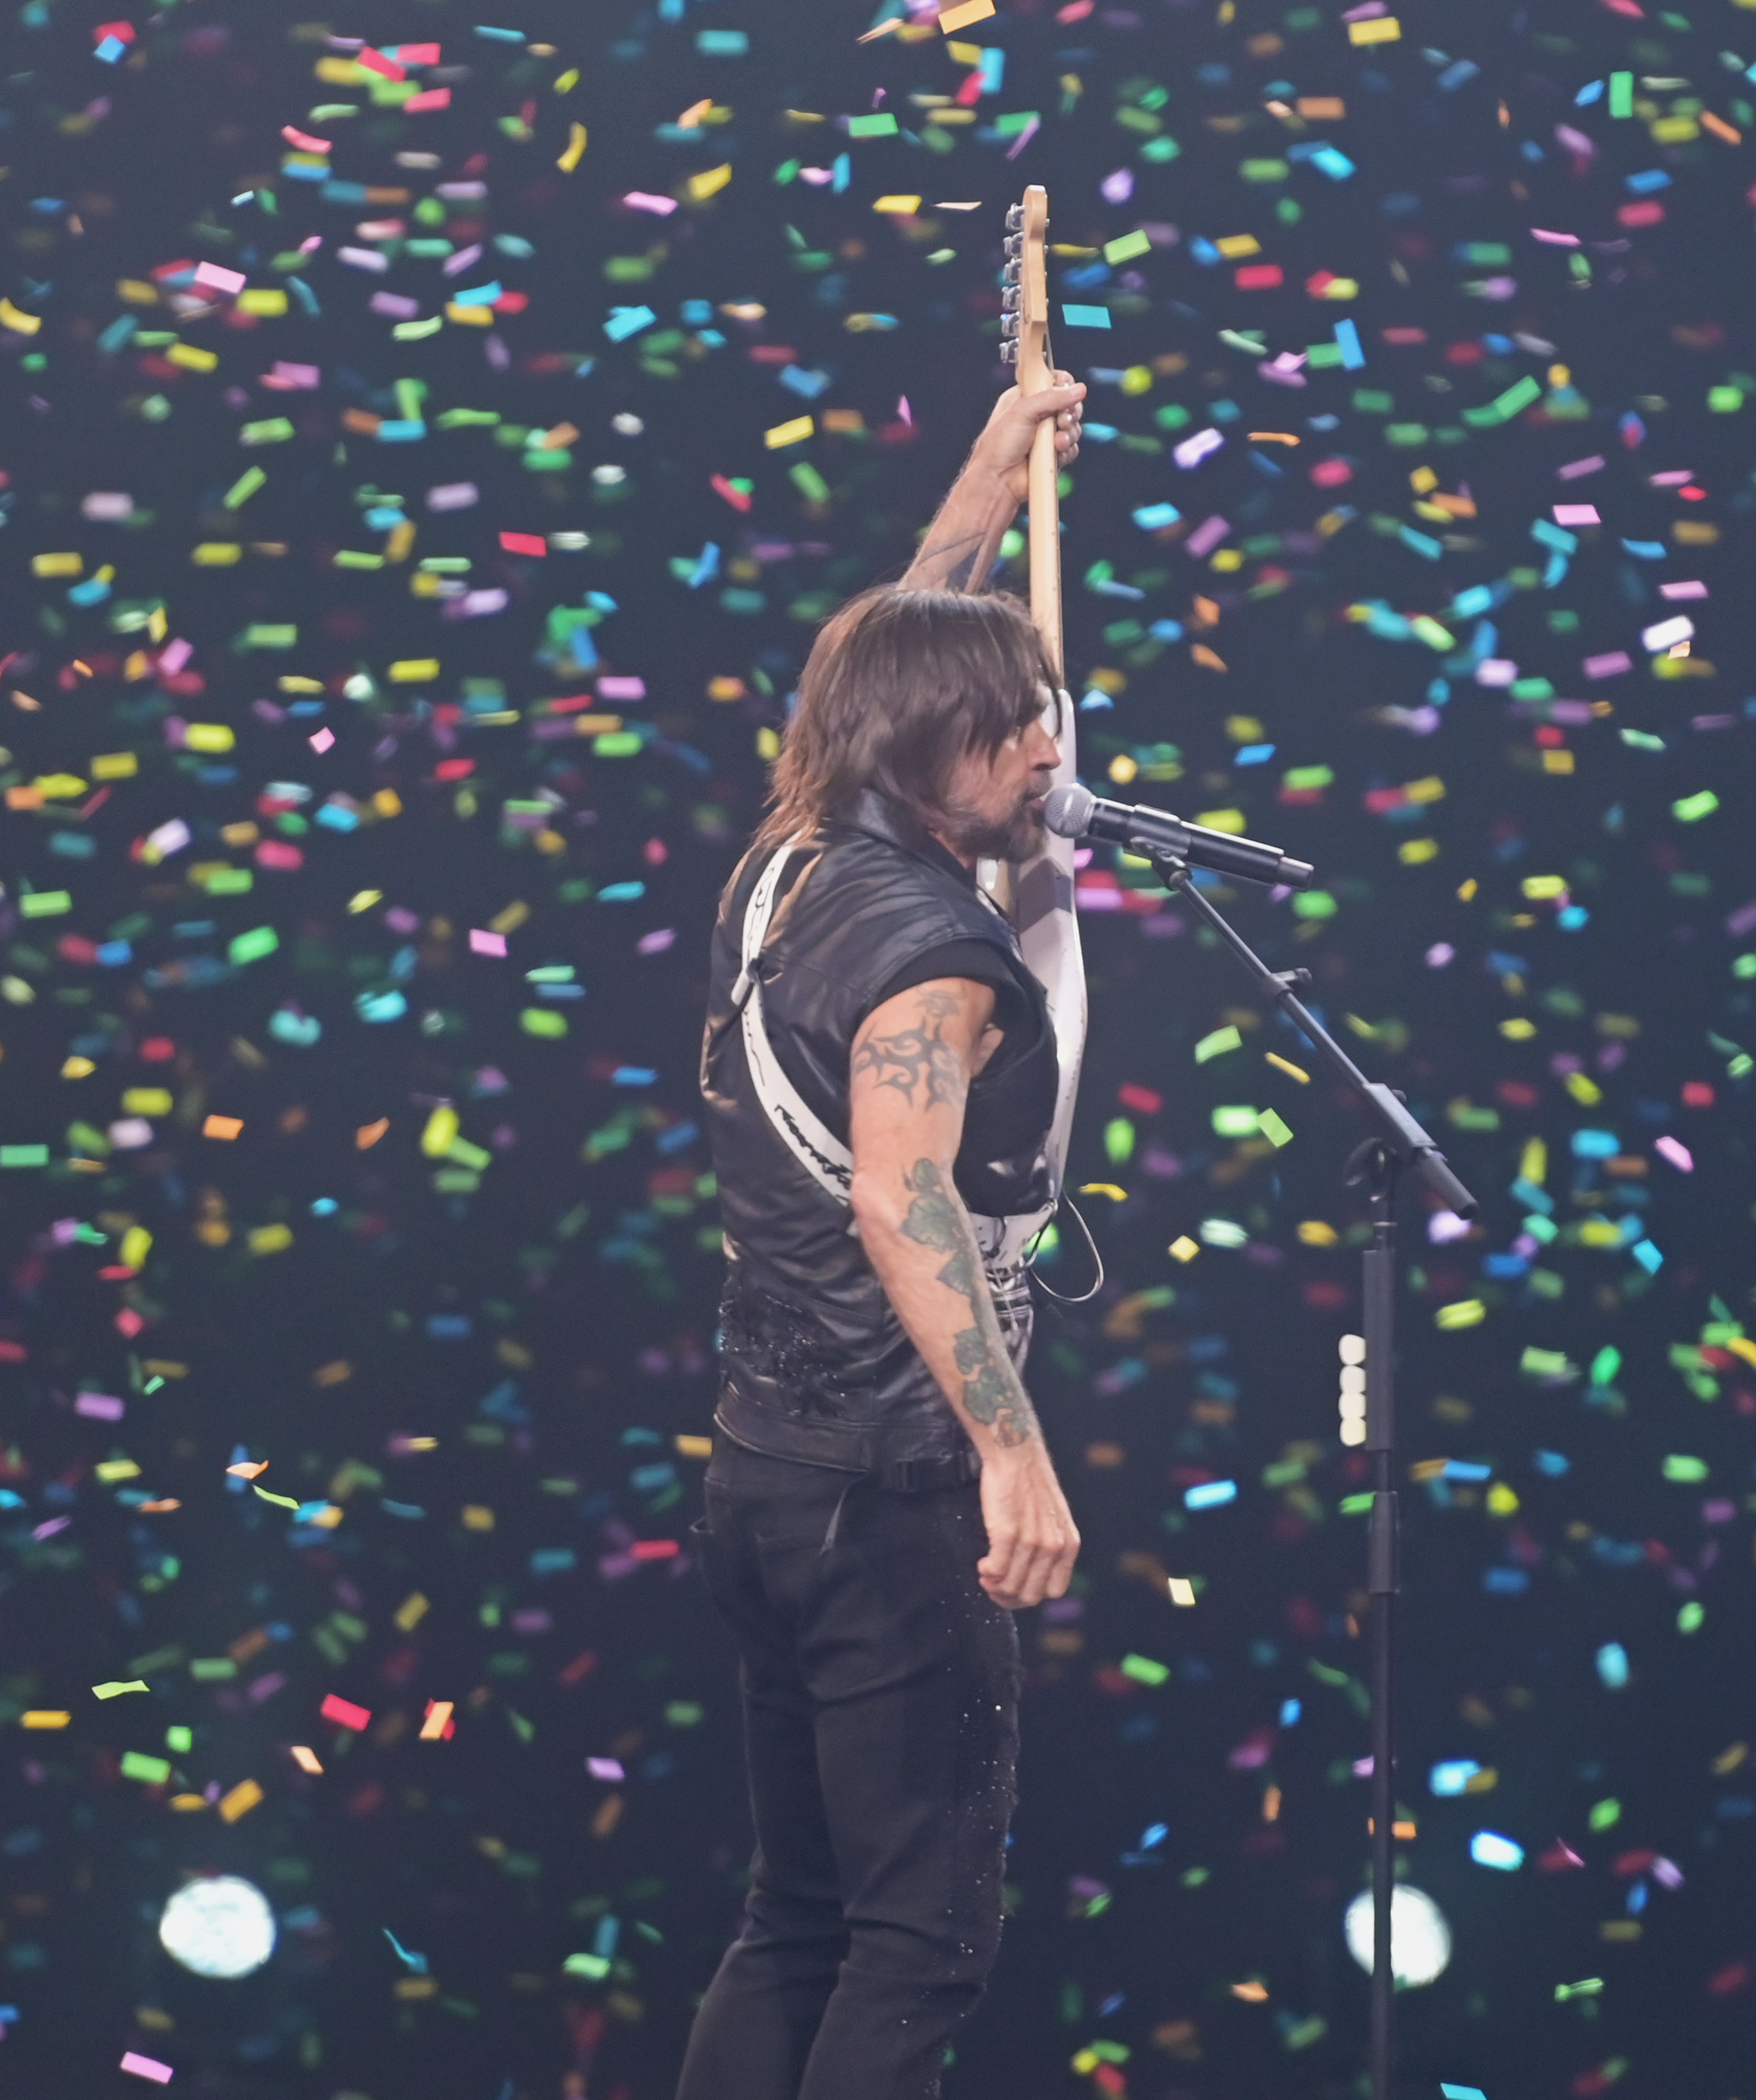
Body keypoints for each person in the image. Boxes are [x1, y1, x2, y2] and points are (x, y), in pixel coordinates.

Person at [677, 369, 1093, 2100]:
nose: (1056, 747)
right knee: (917, 1941)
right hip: (889, 1494)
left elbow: (881, 676)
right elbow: (897, 1192)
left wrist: (987, 485)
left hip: (765, 1473)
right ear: (942, 759)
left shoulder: (788, 861)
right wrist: (1015, 1456)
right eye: (1028, 726)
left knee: (801, 1918)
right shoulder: (933, 946)